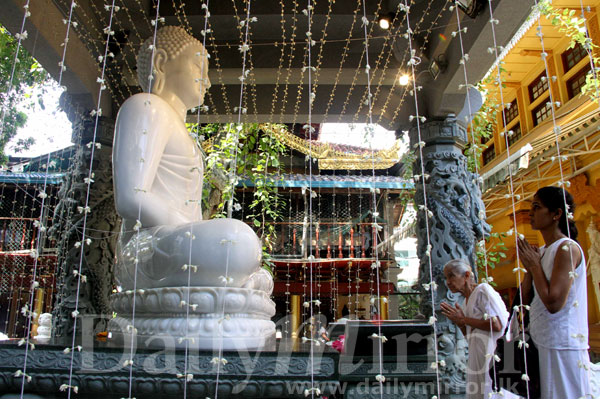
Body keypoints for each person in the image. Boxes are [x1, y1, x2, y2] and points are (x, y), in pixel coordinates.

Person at [113, 26, 267, 291]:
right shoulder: (146, 106)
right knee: (236, 241)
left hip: (179, 241)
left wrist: (195, 233)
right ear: (161, 62)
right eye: (199, 69)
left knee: (243, 251)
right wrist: (190, 231)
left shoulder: (186, 133)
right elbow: (131, 198)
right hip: (147, 245)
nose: (207, 82)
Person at [518, 186, 591, 399]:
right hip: (541, 340)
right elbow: (524, 299)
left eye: (537, 207)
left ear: (557, 214)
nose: (530, 212)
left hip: (563, 343)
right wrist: (530, 268)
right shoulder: (541, 252)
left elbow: (554, 303)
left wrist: (534, 267)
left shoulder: (567, 248)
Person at [440, 259, 509, 399]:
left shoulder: (482, 290)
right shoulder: (465, 301)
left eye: (451, 276)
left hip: (491, 352)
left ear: (466, 275)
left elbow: (496, 325)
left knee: (491, 391)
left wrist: (463, 320)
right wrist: (460, 323)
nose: (448, 282)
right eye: (446, 277)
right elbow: (470, 335)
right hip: (477, 354)